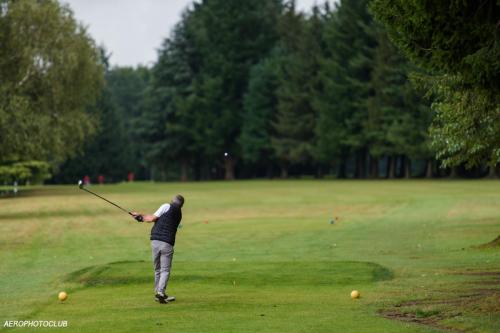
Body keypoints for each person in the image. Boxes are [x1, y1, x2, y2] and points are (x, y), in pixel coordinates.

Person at [132, 194, 184, 304]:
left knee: (157, 269)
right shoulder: (179, 214)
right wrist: (140, 217)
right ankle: (160, 293)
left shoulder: (166, 206)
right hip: (167, 243)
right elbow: (155, 219)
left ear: (172, 201)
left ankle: (158, 293)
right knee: (165, 269)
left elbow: (151, 218)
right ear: (181, 206)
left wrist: (140, 216)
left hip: (155, 241)